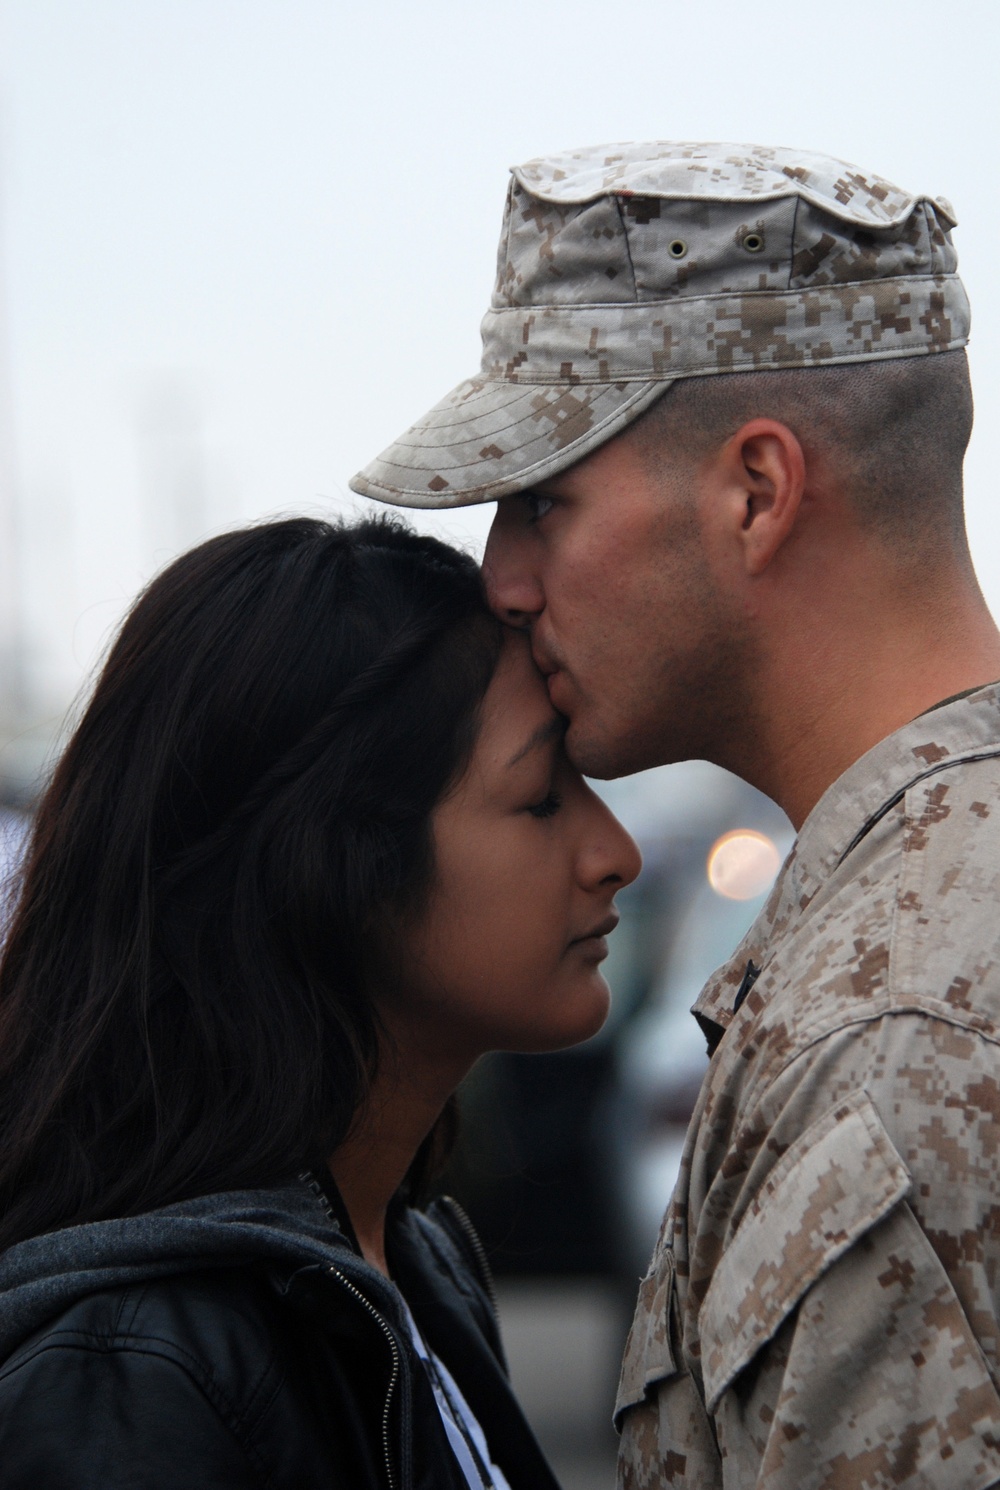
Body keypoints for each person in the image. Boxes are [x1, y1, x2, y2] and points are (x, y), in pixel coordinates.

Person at [350, 142, 1000, 1486]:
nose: (504, 579)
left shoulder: (898, 1040)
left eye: (544, 499)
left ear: (756, 493)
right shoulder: (921, 908)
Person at [0, 515, 641, 1489]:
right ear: (333, 866)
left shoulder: (400, 1257)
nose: (615, 853)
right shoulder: (133, 1370)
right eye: (541, 797)